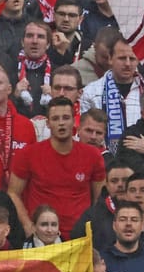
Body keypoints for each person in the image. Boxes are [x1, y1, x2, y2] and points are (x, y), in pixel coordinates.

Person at [8, 98, 106, 237]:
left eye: (66, 118)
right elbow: (13, 193)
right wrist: (28, 225)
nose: (61, 123)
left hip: (79, 236)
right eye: (55, 118)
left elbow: (99, 198)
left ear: (74, 121)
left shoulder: (93, 156)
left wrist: (93, 229)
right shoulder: (28, 154)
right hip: (42, 238)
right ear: (48, 123)